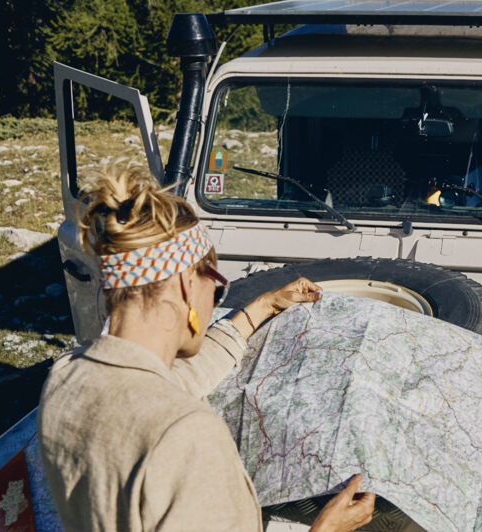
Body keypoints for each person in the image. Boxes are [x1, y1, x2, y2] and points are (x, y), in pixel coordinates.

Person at [37, 163, 375, 531]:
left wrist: (262, 307)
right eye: (215, 285)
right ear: (185, 283)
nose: (214, 300)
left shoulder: (68, 375)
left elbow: (173, 380)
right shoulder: (188, 436)